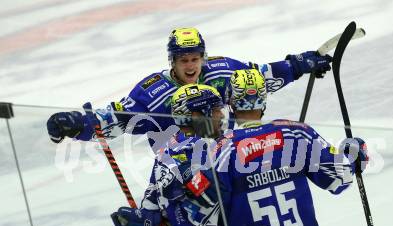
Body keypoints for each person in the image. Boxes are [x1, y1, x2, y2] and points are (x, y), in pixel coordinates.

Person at [164, 69, 369, 226]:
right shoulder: (297, 133)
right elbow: (339, 179)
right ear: (263, 101)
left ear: (230, 102)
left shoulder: (221, 151)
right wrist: (354, 152)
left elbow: (199, 213)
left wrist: (176, 194)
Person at [46, 27, 333, 150]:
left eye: (195, 58)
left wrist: (298, 65)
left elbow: (259, 77)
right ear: (172, 61)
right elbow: (116, 119)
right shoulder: (153, 91)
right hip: (179, 175)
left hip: (228, 161)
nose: (191, 66)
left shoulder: (222, 70)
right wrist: (77, 124)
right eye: (184, 60)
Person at [111, 84, 240, 226]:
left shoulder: (167, 151)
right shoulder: (209, 148)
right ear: (198, 115)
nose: (221, 115)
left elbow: (150, 211)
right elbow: (209, 208)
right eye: (216, 110)